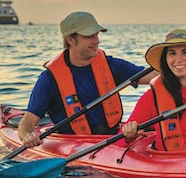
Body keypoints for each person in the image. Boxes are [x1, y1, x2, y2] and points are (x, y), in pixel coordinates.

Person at [18, 11, 157, 148]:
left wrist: (169, 61)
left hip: (112, 140)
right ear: (70, 40)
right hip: (73, 146)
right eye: (89, 36)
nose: (97, 41)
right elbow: (27, 124)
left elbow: (152, 76)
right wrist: (27, 136)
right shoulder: (49, 79)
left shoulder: (111, 65)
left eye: (96, 34)